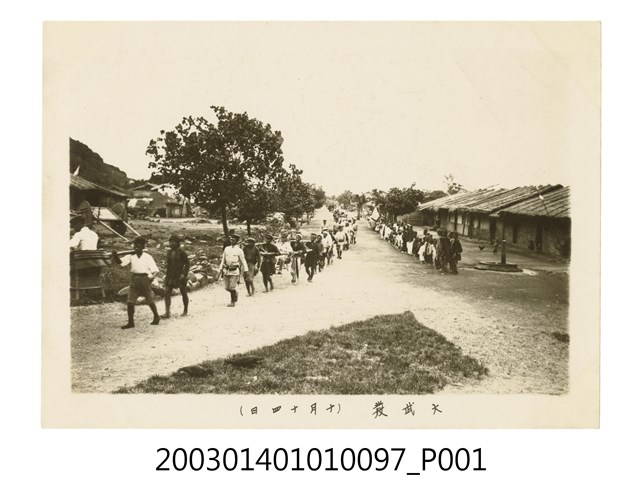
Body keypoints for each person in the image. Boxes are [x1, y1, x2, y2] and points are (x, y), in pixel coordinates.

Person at [111, 236, 161, 329]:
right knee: (130, 301)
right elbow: (121, 263)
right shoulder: (131, 256)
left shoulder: (147, 257)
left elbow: (155, 270)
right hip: (134, 279)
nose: (136, 248)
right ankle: (130, 322)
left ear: (143, 247)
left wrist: (152, 278)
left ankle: (156, 316)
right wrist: (115, 255)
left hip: (145, 279)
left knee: (149, 299)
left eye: (139, 246)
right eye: (135, 246)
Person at [162, 234, 190, 318]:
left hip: (180, 276)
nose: (171, 244)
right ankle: (167, 312)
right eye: (170, 242)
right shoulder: (169, 252)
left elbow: (187, 264)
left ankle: (185, 310)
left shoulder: (182, 252)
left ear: (177, 243)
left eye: (173, 242)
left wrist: (184, 274)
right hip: (171, 275)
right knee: (167, 292)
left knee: (183, 292)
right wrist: (167, 276)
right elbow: (168, 265)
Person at [219, 234, 249, 307]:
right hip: (227, 270)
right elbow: (223, 259)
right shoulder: (227, 249)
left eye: (233, 240)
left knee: (232, 287)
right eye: (231, 239)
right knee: (227, 288)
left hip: (235, 271)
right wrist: (220, 269)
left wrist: (246, 270)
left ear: (237, 241)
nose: (231, 241)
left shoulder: (239, 250)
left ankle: (232, 302)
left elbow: (243, 260)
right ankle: (235, 293)